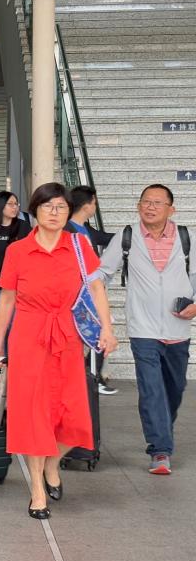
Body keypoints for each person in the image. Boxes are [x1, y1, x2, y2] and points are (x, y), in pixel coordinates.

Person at [0, 183, 117, 519]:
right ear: (35, 212)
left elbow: (96, 288)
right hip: (29, 337)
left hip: (68, 336)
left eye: (61, 207)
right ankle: (37, 491)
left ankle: (52, 462)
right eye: (47, 206)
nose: (54, 213)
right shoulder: (18, 251)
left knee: (72, 414)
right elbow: (7, 300)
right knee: (33, 413)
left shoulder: (78, 245)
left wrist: (107, 328)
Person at [97, 184, 196, 475]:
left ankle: (161, 425)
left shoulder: (186, 237)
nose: (150, 207)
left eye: (157, 202)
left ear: (171, 209)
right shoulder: (126, 237)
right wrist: (88, 289)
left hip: (178, 327)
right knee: (151, 388)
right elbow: (103, 272)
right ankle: (160, 450)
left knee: (175, 389)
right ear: (138, 206)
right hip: (142, 327)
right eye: (145, 202)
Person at [68, 185, 118, 395]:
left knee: (100, 330)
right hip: (75, 292)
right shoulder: (66, 229)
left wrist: (131, 234)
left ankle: (92, 377)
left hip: (91, 289)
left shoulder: (86, 228)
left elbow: (106, 238)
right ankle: (90, 378)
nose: (95, 207)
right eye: (94, 203)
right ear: (86, 205)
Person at [0, 191, 30, 315]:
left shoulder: (24, 227)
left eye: (16, 204)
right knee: (1, 320)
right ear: (0, 205)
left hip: (19, 285)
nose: (15, 207)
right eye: (10, 204)